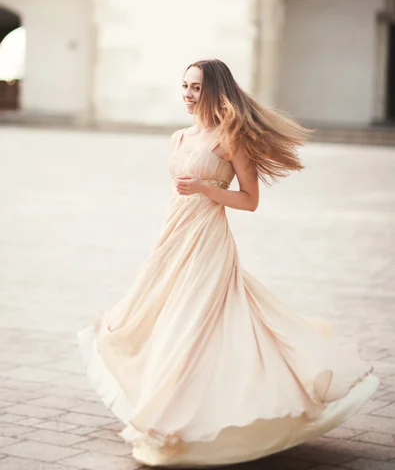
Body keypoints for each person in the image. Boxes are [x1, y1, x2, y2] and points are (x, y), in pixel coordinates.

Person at [78, 59, 378, 467]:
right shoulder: (179, 138)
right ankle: (169, 408)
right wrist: (164, 241)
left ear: (215, 91)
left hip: (208, 241)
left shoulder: (230, 140)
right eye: (184, 86)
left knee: (192, 322)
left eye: (196, 88)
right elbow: (175, 198)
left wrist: (205, 187)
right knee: (152, 314)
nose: (187, 94)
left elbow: (250, 201)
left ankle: (175, 420)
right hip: (174, 239)